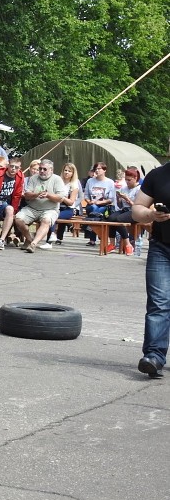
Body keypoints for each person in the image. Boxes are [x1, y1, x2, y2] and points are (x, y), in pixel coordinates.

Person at [132, 162, 170, 378]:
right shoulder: (158, 175)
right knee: (159, 304)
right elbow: (137, 210)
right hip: (162, 248)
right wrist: (151, 214)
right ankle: (154, 357)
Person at [13, 159, 67, 253]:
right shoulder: (34, 178)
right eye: (40, 169)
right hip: (32, 208)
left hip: (50, 209)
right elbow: (27, 194)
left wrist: (48, 195)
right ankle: (29, 239)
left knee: (46, 220)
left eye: (44, 169)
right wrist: (36, 194)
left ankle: (33, 244)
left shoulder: (57, 179)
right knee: (18, 219)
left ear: (51, 170)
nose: (41, 171)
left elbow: (60, 198)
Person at [107, 167, 141, 255]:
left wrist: (127, 199)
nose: (127, 182)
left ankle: (128, 244)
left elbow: (137, 206)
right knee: (111, 218)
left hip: (134, 211)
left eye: (129, 180)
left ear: (135, 178)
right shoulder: (124, 188)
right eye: (126, 180)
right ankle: (112, 243)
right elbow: (120, 206)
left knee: (119, 219)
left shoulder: (139, 189)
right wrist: (119, 199)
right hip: (124, 210)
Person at [48, 162, 83, 246]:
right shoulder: (57, 181)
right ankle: (52, 238)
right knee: (51, 214)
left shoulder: (74, 185)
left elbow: (71, 202)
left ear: (73, 173)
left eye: (69, 171)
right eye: (65, 170)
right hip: (56, 206)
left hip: (68, 209)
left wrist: (62, 198)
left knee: (55, 216)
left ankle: (54, 236)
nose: (66, 172)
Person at [83, 161, 116, 246]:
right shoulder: (90, 181)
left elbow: (111, 199)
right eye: (95, 169)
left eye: (99, 169)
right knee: (94, 209)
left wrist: (99, 202)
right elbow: (86, 195)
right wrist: (89, 201)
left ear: (104, 170)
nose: (97, 171)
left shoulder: (110, 182)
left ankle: (92, 238)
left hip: (104, 206)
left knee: (96, 212)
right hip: (91, 205)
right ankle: (102, 237)